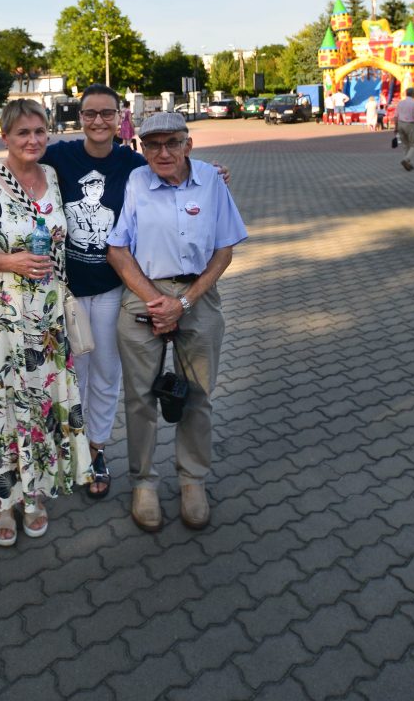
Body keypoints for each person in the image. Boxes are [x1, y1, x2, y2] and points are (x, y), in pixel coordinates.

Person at [0, 84, 231, 502]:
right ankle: (67, 451)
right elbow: (21, 153)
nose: (98, 121)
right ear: (80, 116)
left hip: (111, 288)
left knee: (107, 375)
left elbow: (174, 163)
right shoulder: (61, 156)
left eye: (107, 113)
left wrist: (210, 173)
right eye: (90, 113)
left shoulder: (133, 163)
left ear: (119, 116)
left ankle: (96, 451)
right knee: (71, 375)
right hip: (63, 290)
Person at [0, 99, 92, 547]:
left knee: (38, 404)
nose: (32, 140)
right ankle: (0, 501)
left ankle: (34, 493)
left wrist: (209, 172)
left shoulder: (52, 176)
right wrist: (8, 261)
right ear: (4, 136)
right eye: (22, 133)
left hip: (44, 319)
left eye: (39, 131)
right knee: (1, 405)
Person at [106, 111, 247, 533]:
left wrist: (183, 303)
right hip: (144, 292)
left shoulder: (211, 181)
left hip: (197, 294)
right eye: (152, 145)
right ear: (142, 148)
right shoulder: (136, 181)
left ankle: (192, 481)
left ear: (189, 144)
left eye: (172, 143)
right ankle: (144, 482)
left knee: (198, 394)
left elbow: (224, 249)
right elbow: (117, 250)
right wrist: (157, 302)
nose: (163, 152)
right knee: (139, 397)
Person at [395, 87, 414, 171]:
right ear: (413, 94)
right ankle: (406, 160)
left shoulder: (400, 103)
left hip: (400, 124)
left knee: (405, 145)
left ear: (406, 94)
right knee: (413, 144)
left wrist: (396, 127)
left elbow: (396, 116)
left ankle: (408, 163)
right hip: (410, 125)